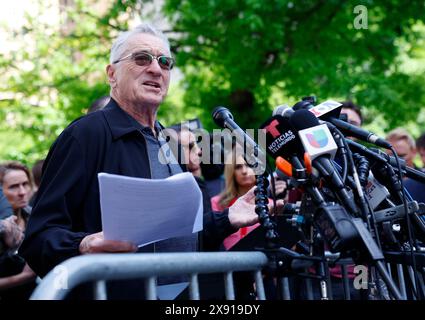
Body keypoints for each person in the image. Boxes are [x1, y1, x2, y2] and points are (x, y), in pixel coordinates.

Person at [20, 23, 275, 299]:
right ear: (112, 74)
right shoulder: (85, 135)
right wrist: (83, 244)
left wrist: (228, 218)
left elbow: (178, 239)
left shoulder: (170, 143)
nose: (156, 69)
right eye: (142, 58)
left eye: (165, 62)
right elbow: (38, 238)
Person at [0, 161, 37, 299]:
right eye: (14, 187)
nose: (22, 192)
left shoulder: (36, 217)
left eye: (25, 184)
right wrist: (23, 277)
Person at [386, 128, 425, 204]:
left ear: (414, 152)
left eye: (401, 156)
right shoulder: (380, 183)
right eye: (391, 156)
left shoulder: (422, 180)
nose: (396, 161)